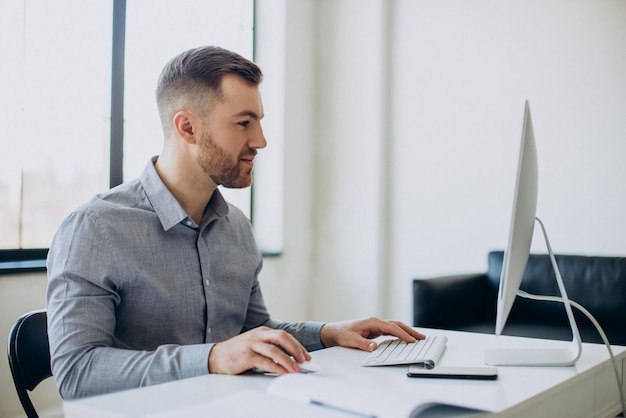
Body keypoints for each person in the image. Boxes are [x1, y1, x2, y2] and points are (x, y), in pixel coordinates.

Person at [46, 45, 424, 400]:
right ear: (187, 128)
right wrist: (212, 358)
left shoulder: (237, 228)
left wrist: (329, 333)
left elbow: (249, 332)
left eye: (258, 121)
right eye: (243, 123)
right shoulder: (94, 228)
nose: (260, 140)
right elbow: (77, 373)